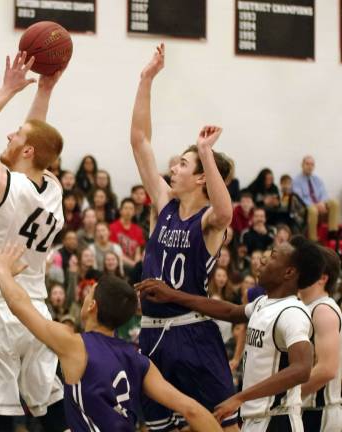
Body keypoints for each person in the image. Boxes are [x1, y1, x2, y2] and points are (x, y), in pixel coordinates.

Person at [0, 244, 222, 431]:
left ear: (92, 306)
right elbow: (191, 409)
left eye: (88, 295)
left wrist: (2, 270)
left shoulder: (74, 345)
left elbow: (19, 305)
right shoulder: (139, 360)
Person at [130, 43, 238, 431]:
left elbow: (226, 212)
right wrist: (146, 79)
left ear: (200, 178)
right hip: (153, 333)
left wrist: (206, 152)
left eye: (182, 163)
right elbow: (140, 142)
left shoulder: (210, 219)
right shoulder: (165, 204)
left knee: (225, 425)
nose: (172, 167)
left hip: (192, 331)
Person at [0, 51, 67, 431]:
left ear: (26, 151)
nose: (9, 132)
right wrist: (45, 90)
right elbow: (36, 138)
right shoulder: (53, 190)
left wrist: (7, 89)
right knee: (52, 408)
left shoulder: (3, 185)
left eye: (15, 135)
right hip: (37, 312)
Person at [138, 236, 321, 431]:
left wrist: (239, 397)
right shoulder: (263, 303)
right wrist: (173, 295)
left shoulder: (292, 312)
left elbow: (302, 369)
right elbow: (230, 312)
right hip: (255, 419)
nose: (263, 260)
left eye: (273, 257)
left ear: (289, 272)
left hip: (278, 420)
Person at [300, 247, 342, 431]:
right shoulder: (305, 307)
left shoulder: (323, 310)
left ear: (322, 278)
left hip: (319, 412)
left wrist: (283, 396)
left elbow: (326, 369)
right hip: (304, 409)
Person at [292, 156, 339, 241]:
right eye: (307, 164)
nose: (310, 166)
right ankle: (313, 239)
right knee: (313, 209)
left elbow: (324, 194)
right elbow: (299, 198)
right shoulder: (296, 181)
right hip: (305, 207)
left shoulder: (317, 179)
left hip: (319, 204)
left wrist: (322, 203)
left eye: (312, 164)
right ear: (302, 165)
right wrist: (316, 205)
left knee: (334, 203)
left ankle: (332, 232)